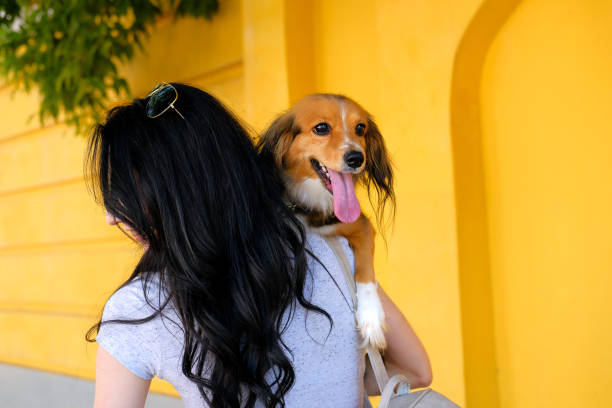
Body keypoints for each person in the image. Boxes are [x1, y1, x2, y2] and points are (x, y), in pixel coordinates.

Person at [86, 83, 431, 408]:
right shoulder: (333, 250)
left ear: (179, 195)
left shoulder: (138, 308)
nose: (112, 217)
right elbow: (416, 370)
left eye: (124, 195)